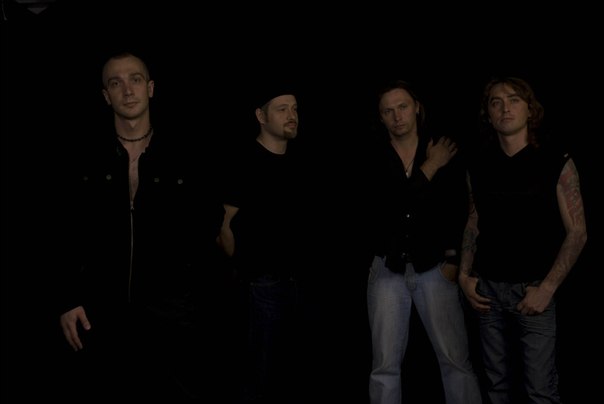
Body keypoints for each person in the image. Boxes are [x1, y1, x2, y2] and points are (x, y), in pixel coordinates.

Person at [57, 51, 226, 400]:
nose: (127, 90)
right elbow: (62, 232)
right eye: (115, 83)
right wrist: (68, 297)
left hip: (173, 315)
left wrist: (189, 298)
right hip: (101, 315)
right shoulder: (83, 158)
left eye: (135, 80)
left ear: (150, 88)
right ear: (106, 96)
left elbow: (208, 222)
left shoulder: (186, 154)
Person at [458, 76, 587, 404]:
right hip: (487, 291)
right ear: (488, 114)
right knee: (496, 386)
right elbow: (474, 219)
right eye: (496, 102)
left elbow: (578, 232)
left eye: (514, 100)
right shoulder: (478, 162)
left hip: (533, 290)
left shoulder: (556, 159)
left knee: (539, 390)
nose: (505, 108)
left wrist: (548, 288)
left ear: (530, 109)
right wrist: (464, 274)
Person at [364, 79, 483, 404]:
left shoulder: (443, 147)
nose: (397, 116)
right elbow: (390, 210)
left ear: (416, 107)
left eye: (402, 106)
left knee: (455, 361)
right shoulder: (373, 156)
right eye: (388, 111)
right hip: (388, 268)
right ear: (381, 117)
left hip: (435, 266)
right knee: (384, 366)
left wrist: (453, 260)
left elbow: (458, 209)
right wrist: (430, 166)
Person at [217, 82, 315, 404]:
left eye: (295, 108)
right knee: (258, 378)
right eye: (282, 109)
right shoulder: (243, 161)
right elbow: (223, 225)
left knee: (293, 376)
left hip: (298, 286)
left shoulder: (300, 162)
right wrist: (246, 268)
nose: (292, 115)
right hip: (261, 287)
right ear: (261, 116)